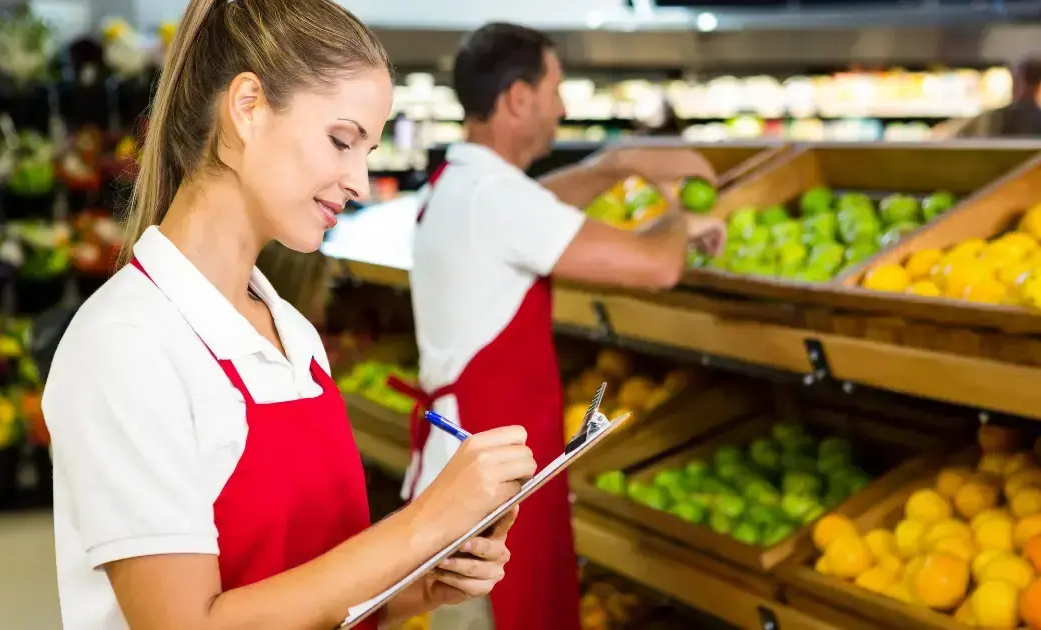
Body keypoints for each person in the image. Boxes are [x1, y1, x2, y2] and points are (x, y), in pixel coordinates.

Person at [41, 2, 538, 629]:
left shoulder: (291, 332)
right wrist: (420, 526)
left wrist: (422, 579)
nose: (359, 180)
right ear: (247, 106)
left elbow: (305, 581)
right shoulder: (128, 344)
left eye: (369, 150)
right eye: (341, 140)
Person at [395, 22, 726, 630]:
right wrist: (683, 207)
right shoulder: (494, 196)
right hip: (487, 486)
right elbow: (657, 266)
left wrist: (616, 164)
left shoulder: (460, 182)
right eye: (555, 89)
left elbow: (539, 201)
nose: (563, 106)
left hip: (471, 463)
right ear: (519, 98)